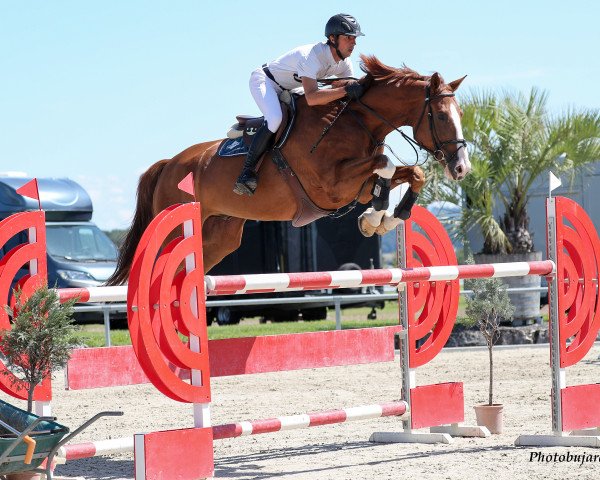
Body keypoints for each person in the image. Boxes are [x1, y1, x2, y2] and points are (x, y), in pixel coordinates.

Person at [233, 13, 366, 196]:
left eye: (355, 38)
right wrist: (345, 91)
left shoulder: (344, 64)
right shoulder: (311, 56)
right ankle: (246, 172)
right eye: (348, 37)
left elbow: (346, 92)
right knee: (275, 119)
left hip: (291, 89)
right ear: (332, 38)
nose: (354, 43)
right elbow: (312, 97)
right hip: (265, 81)